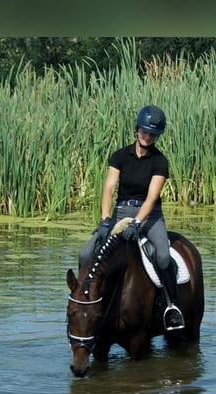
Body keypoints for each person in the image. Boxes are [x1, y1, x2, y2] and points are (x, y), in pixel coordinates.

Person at [78, 104, 184, 331]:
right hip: (120, 211)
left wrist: (137, 223)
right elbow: (108, 188)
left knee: (163, 257)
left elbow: (152, 197)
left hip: (150, 215)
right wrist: (106, 219)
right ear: (137, 129)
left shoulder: (160, 162)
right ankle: (84, 300)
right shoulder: (119, 156)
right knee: (85, 252)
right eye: (144, 131)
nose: (147, 136)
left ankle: (171, 306)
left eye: (153, 134)